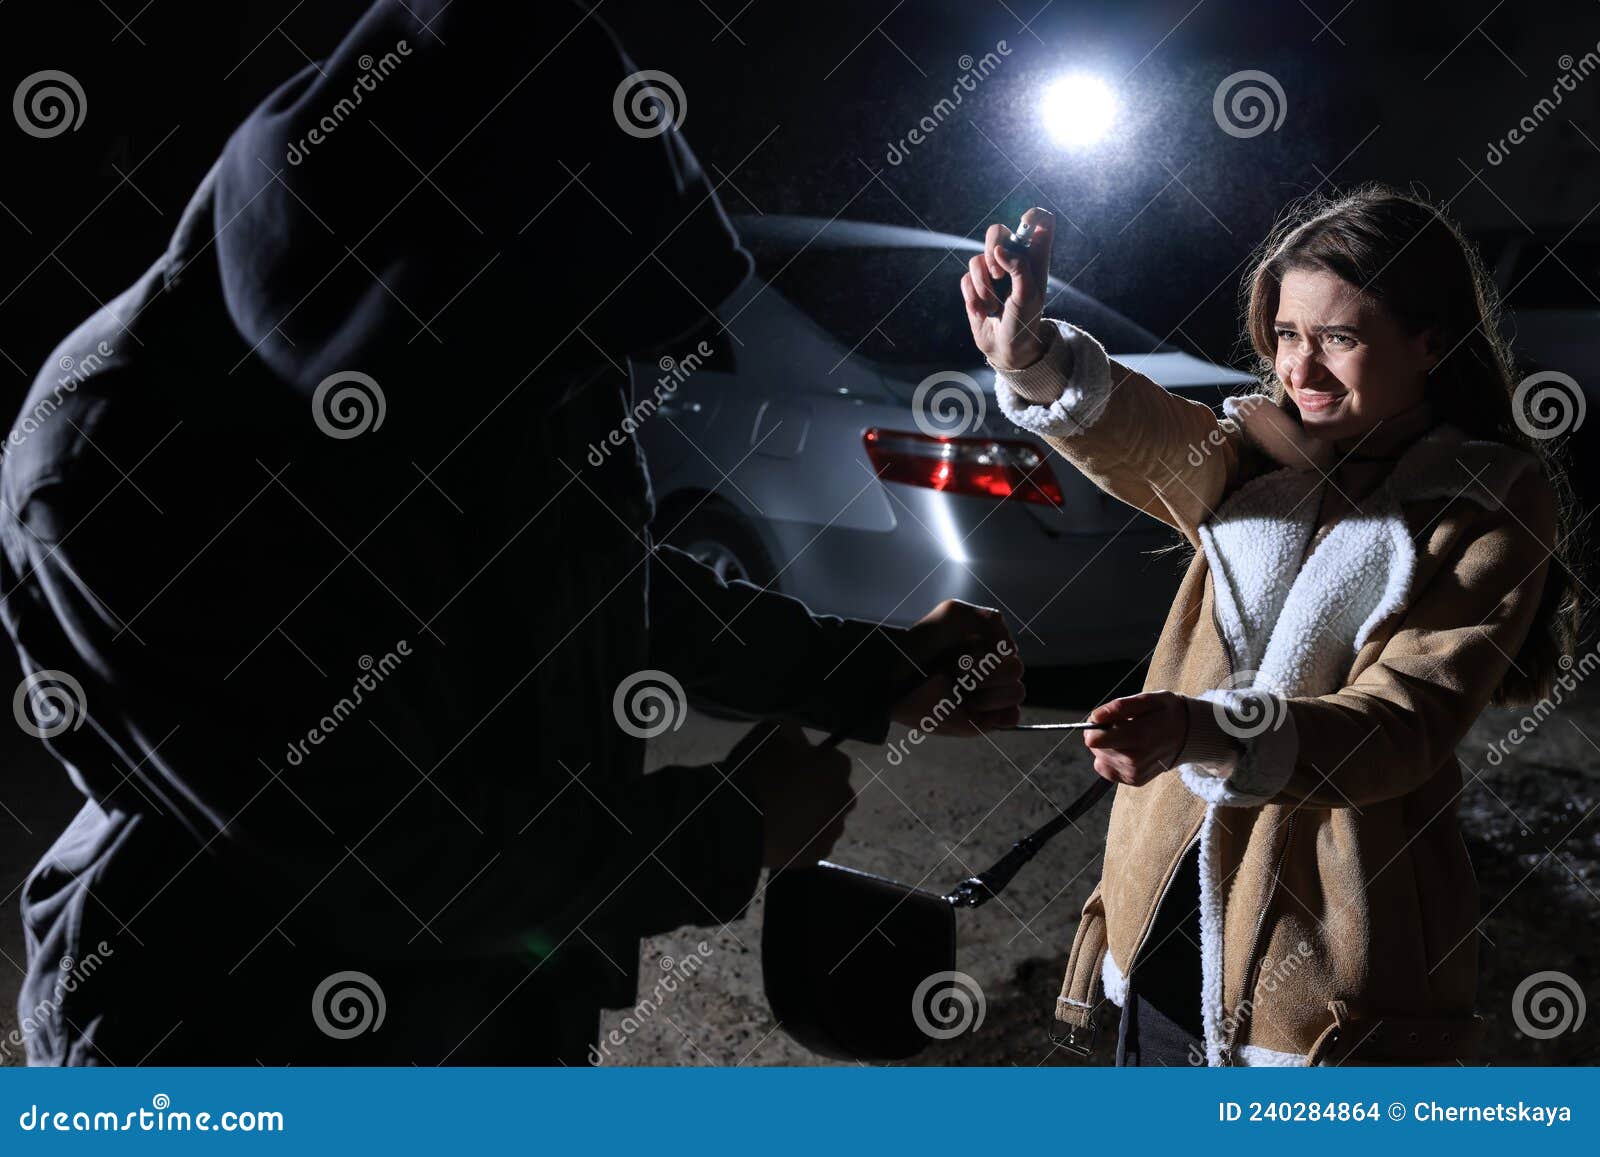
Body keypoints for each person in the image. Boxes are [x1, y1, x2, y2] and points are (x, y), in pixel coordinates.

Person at [0, 0, 1025, 1066]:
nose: (587, 378)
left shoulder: (505, 340)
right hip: (231, 1034)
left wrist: (862, 667)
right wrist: (719, 834)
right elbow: (368, 854)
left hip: (495, 1017)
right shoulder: (113, 463)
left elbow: (588, 581)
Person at [962, 189, 1581, 1066]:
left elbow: (1403, 723)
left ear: (1430, 341)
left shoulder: (1488, 500)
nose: (1303, 368)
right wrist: (1027, 353)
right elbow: (1138, 434)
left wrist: (1203, 728)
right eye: (1288, 334)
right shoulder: (1260, 460)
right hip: (1167, 918)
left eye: (1340, 337)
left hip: (1319, 962)